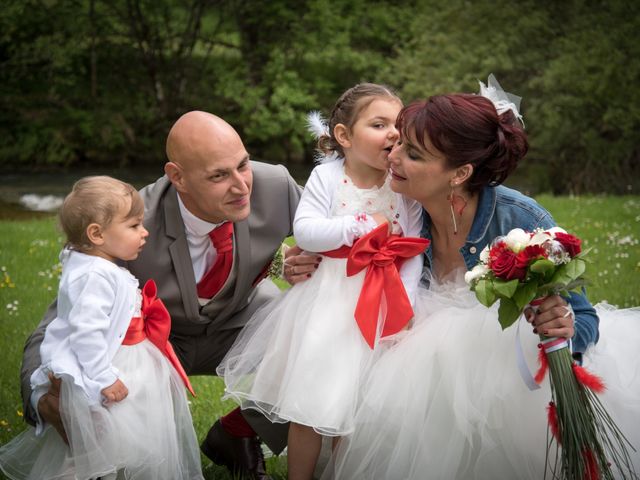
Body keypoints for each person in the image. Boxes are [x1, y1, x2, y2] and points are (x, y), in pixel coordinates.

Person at [324, 77, 640, 479]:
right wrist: (299, 258)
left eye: (414, 154)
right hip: (417, 376)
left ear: (460, 173)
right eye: (399, 142)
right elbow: (333, 214)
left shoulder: (520, 221)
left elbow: (584, 319)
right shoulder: (396, 203)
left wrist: (563, 327)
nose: (394, 156)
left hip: (507, 388)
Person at [19, 112, 321, 480]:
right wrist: (42, 396)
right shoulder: (132, 223)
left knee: (322, 340)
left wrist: (305, 259)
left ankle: (239, 431)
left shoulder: (274, 186)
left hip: (241, 323)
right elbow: (62, 320)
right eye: (219, 176)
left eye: (242, 165)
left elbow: (337, 228)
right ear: (177, 176)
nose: (242, 186)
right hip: (151, 346)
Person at [217, 83, 428, 480]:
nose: (393, 134)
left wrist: (408, 306)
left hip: (383, 301)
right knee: (313, 404)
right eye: (379, 124)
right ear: (344, 137)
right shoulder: (328, 177)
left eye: (398, 126)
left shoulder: (401, 185)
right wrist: (357, 226)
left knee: (356, 405)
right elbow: (308, 232)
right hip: (331, 304)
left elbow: (413, 248)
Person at [0, 176, 203, 479]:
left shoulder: (99, 266)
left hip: (127, 357)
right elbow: (85, 332)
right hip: (104, 366)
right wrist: (103, 377)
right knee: (101, 443)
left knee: (129, 434)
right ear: (96, 234)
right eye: (134, 226)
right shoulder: (93, 275)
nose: (144, 232)